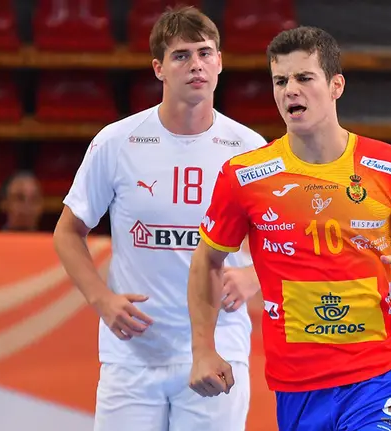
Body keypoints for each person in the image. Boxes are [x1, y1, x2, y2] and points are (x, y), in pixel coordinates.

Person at [187, 26, 391, 431]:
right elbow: (207, 260)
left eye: (304, 78)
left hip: (380, 377)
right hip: (298, 386)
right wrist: (202, 350)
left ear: (336, 85)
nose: (290, 91)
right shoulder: (244, 175)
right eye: (280, 81)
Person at [52, 6, 267, 431]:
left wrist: (255, 275)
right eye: (181, 55)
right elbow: (68, 232)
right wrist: (101, 300)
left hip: (219, 345)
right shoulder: (118, 141)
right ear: (159, 69)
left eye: (205, 53)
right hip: (133, 349)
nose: (196, 65)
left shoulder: (250, 149)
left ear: (220, 62)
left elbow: (283, 237)